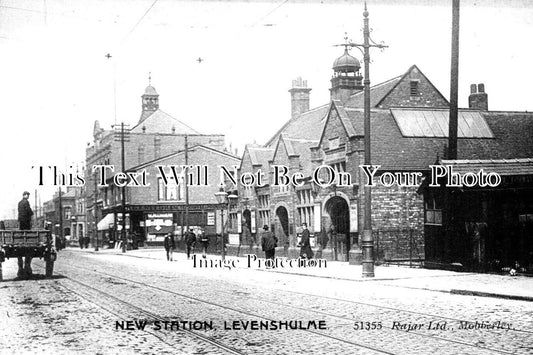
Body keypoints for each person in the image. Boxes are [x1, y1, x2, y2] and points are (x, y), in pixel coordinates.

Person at [17, 191, 34, 278]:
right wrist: (31, 213)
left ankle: (21, 269)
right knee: (27, 231)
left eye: (28, 195)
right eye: (27, 195)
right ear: (24, 195)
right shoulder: (26, 202)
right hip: (25, 219)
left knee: (22, 230)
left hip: (21, 219)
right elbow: (28, 210)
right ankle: (27, 267)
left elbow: (19, 210)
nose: (28, 196)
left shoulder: (19, 202)